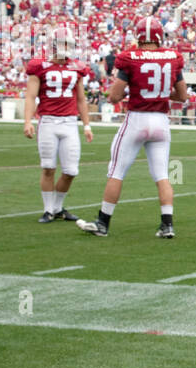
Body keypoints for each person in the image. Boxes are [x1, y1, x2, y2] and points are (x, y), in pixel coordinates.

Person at [78, 16, 186, 239]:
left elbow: (114, 96)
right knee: (162, 175)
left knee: (116, 171)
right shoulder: (173, 57)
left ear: (138, 36)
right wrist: (161, 94)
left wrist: (134, 91)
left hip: (137, 119)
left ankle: (103, 222)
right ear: (159, 37)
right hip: (161, 121)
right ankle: (167, 225)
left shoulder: (130, 57)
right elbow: (182, 96)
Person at [24, 25, 93, 223]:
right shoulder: (39, 65)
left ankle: (57, 207)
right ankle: (49, 209)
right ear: (53, 45)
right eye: (63, 43)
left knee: (71, 171)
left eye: (68, 44)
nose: (66, 47)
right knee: (48, 168)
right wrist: (27, 121)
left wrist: (87, 125)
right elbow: (30, 96)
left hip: (70, 123)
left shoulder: (76, 67)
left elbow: (81, 99)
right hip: (48, 122)